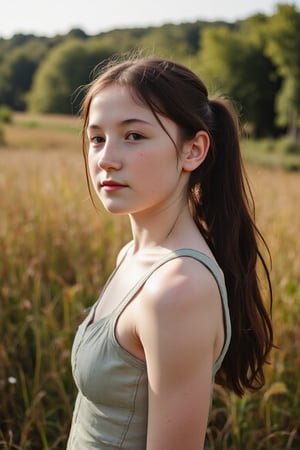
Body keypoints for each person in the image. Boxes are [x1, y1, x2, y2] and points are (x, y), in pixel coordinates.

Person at [67, 56, 273, 450]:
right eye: (97, 138)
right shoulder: (132, 255)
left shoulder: (178, 289)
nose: (106, 158)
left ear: (192, 150)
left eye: (134, 136)